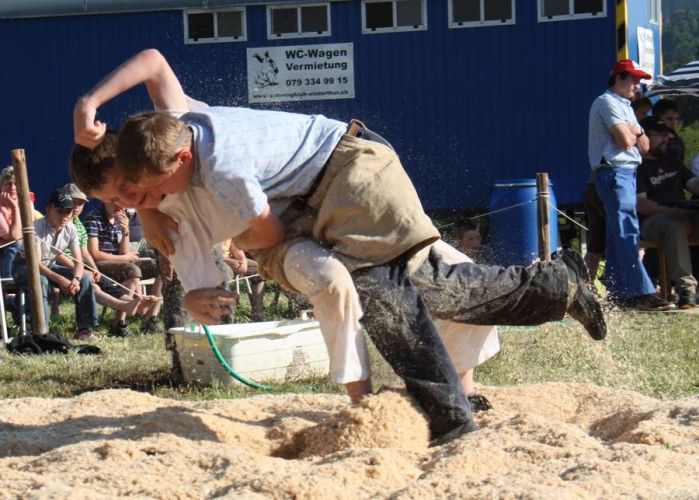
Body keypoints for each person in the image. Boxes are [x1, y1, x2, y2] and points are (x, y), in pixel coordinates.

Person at [73, 49, 605, 442]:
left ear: (170, 159)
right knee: (425, 284)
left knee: (386, 293)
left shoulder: (220, 165)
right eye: (124, 197)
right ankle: (553, 288)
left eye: (136, 189)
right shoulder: (172, 139)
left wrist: (90, 106)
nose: (135, 200)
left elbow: (270, 234)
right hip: (328, 189)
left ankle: (450, 416)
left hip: (351, 172)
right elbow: (152, 71)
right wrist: (140, 190)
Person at [588, 59, 674, 311]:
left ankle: (619, 296)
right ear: (619, 79)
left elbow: (644, 148)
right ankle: (643, 292)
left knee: (617, 235)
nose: (638, 85)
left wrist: (635, 130)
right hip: (613, 172)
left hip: (625, 172)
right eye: (634, 80)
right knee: (627, 231)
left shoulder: (624, 106)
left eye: (639, 81)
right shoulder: (606, 102)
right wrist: (636, 130)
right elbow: (627, 141)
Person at [55, 183, 157, 318]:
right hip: (75, 266)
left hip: (88, 266)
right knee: (125, 272)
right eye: (74, 203)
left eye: (81, 203)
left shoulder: (78, 224)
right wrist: (83, 270)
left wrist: (125, 231)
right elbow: (88, 254)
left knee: (156, 267)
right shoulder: (82, 220)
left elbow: (84, 252)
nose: (77, 207)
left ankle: (140, 306)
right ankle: (125, 313)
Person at [12, 190, 99, 338]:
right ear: (48, 210)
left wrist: (76, 279)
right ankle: (41, 331)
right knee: (41, 280)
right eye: (60, 211)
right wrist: (61, 280)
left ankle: (84, 329)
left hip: (48, 265)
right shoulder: (36, 227)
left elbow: (78, 261)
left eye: (68, 211)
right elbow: (36, 264)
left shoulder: (71, 228)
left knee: (85, 278)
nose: (65, 216)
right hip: (24, 266)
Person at [636, 116, 699, 308]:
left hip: (681, 214)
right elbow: (643, 205)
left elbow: (694, 185)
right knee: (675, 226)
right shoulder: (637, 167)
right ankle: (686, 290)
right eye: (661, 135)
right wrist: (674, 212)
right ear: (645, 136)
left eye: (668, 135)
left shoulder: (674, 163)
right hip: (652, 220)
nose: (666, 140)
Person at [83, 200, 161, 336]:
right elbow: (94, 254)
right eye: (115, 203)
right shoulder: (94, 218)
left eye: (122, 204)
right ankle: (119, 323)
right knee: (131, 270)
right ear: (105, 200)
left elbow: (124, 253)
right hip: (100, 265)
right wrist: (125, 258)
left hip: (120, 262)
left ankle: (150, 318)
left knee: (163, 266)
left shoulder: (122, 218)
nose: (119, 207)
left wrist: (126, 231)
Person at [652, 99, 684, 163]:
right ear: (658, 118)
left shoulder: (676, 137)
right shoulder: (651, 136)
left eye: (676, 119)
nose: (674, 123)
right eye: (669, 119)